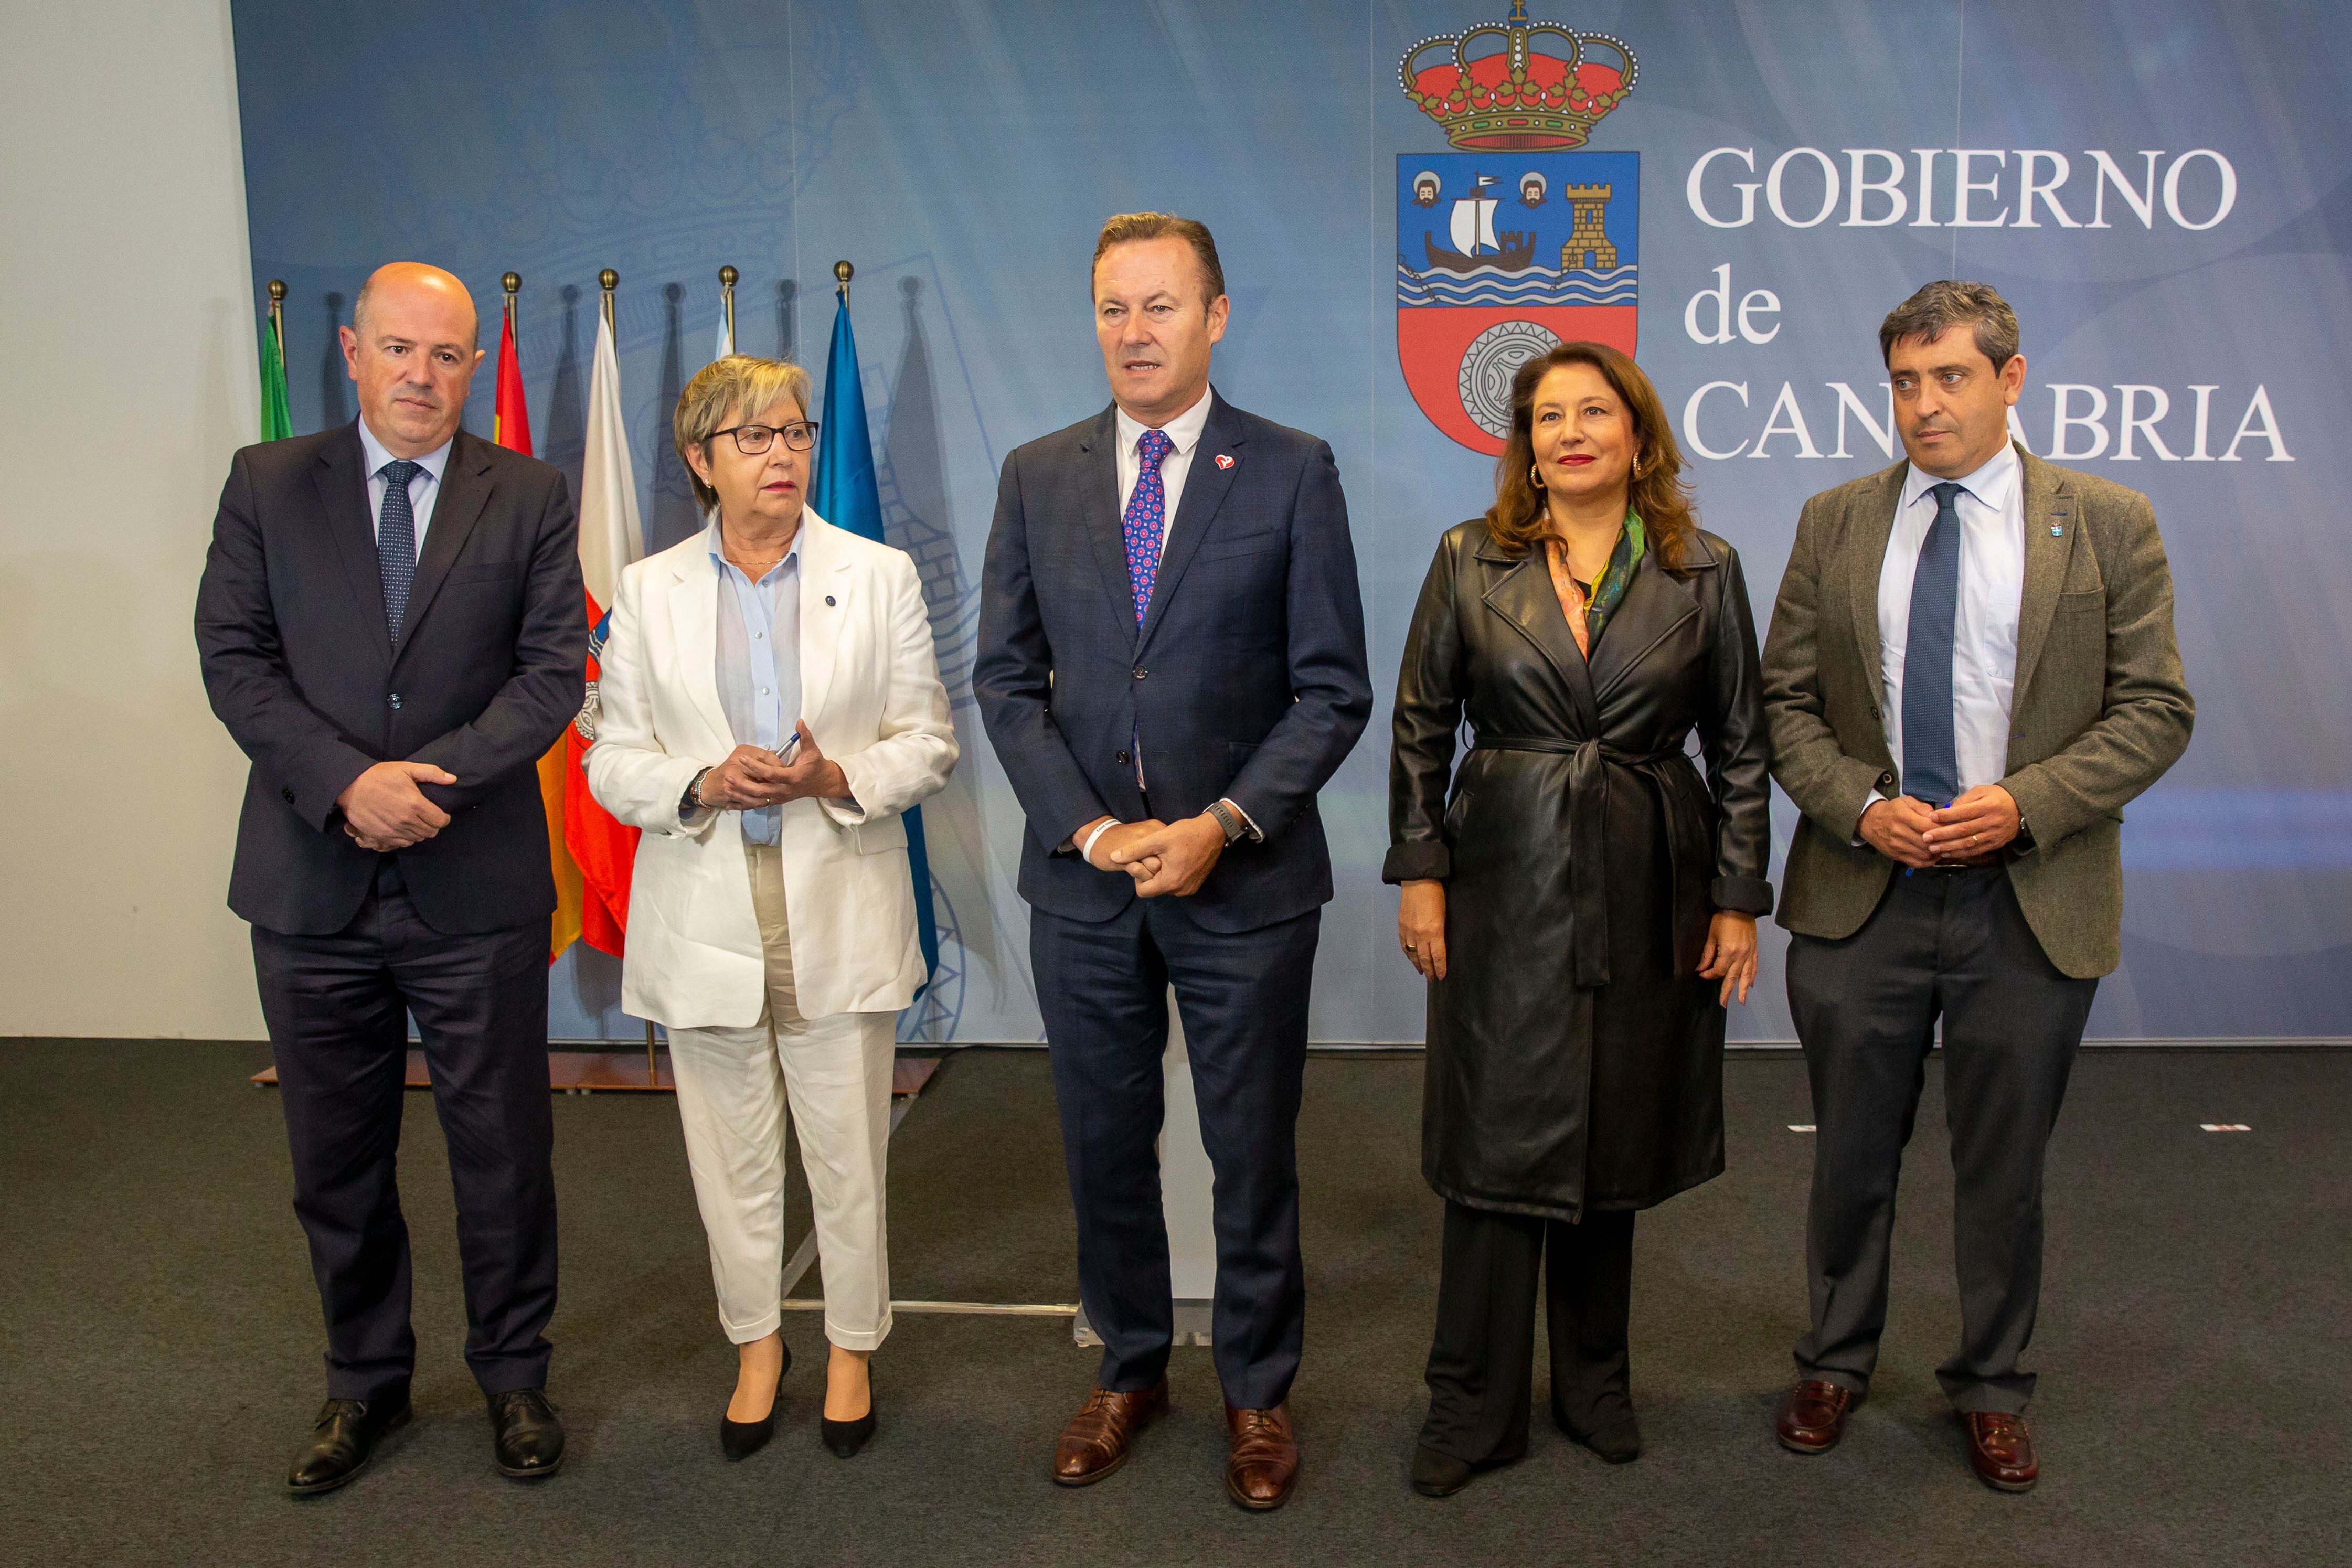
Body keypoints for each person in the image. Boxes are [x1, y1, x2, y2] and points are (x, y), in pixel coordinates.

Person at [1760, 281, 2193, 1491]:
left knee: (2003, 1163)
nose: (1922, 405)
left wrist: (2030, 801)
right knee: (1850, 1149)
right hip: (1864, 890)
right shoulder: (1836, 520)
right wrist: (1857, 802)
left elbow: (2156, 708)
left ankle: (1992, 1385)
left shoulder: (2107, 521)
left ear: (2011, 379)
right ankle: (1835, 1361)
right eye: (1904, 381)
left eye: (1949, 377)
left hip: (2028, 894)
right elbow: (1783, 703)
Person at [974, 212, 1371, 1511]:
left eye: (1158, 307)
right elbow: (1004, 679)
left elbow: (1329, 691)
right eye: (1110, 308)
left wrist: (1220, 824)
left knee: (1250, 1148)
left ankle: (1257, 1391)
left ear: (1214, 316)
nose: (1131, 333)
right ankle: (1129, 1367)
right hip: (1084, 884)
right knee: (1103, 1139)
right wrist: (1091, 830)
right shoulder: (1037, 473)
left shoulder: (1293, 470)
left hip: (1244, 881)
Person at [194, 262, 586, 1492]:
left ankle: (513, 1374)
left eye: (449, 356)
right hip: (313, 880)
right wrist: (346, 783)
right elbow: (233, 655)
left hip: (473, 878)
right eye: (401, 350)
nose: (424, 376)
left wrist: (426, 783)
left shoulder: (525, 490)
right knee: (336, 1155)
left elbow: (552, 669)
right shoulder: (269, 484)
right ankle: (363, 1381)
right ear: (353, 355)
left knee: (504, 1148)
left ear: (475, 367)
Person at [1386, 342, 1773, 1497]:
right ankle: (1472, 1403)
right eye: (1546, 415)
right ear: (1525, 444)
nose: (1569, 432)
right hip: (1504, 874)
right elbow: (1420, 721)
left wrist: (1738, 899)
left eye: (1592, 410)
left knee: (1614, 1126)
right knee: (1495, 1136)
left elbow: (1744, 747)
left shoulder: (1705, 569)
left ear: (1636, 434)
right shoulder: (1470, 556)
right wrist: (1420, 869)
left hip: (1651, 877)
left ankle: (1594, 1383)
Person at [585, 354, 955, 1462]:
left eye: (793, 432)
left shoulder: (877, 574)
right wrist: (698, 783)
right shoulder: (648, 591)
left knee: (848, 1151)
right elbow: (610, 757)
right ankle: (755, 1343)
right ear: (702, 461)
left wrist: (835, 775)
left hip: (837, 895)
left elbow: (928, 739)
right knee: (730, 1157)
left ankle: (850, 1346)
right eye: (753, 437)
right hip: (704, 902)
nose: (784, 453)